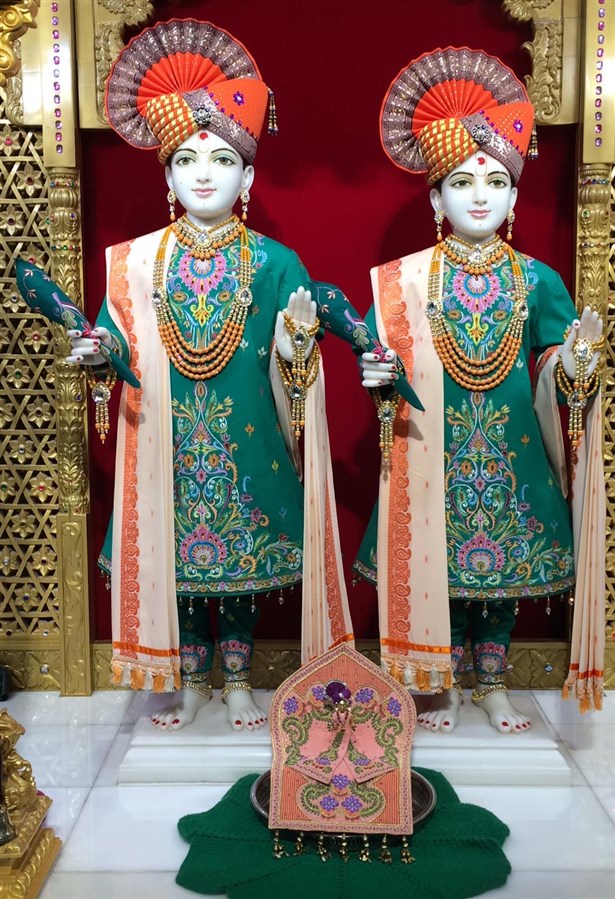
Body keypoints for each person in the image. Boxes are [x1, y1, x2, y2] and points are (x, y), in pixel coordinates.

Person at [66, 18, 356, 733]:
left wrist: (297, 345)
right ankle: (193, 681)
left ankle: (237, 680)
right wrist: (100, 357)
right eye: (187, 159)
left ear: (248, 177)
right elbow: (116, 342)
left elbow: (300, 361)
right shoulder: (134, 263)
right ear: (166, 175)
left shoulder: (276, 262)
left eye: (222, 159)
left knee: (241, 567)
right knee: (180, 567)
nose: (204, 173)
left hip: (247, 439)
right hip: (164, 440)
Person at [356, 47, 605, 734]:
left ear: (515, 197)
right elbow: (381, 363)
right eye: (461, 181)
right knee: (437, 566)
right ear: (435, 197)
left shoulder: (537, 278)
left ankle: (491, 683)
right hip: (428, 451)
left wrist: (575, 362)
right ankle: (441, 683)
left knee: (501, 578)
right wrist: (377, 377)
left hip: (511, 451)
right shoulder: (402, 280)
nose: (479, 195)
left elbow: (556, 363)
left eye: (496, 181)